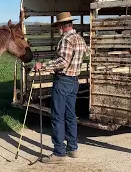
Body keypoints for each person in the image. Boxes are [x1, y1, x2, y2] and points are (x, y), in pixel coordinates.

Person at [33, 12, 89, 163]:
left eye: (58, 25)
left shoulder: (66, 39)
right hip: (74, 81)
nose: (57, 27)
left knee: (57, 116)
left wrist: (43, 65)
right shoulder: (79, 38)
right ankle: (73, 148)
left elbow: (63, 61)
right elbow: (87, 51)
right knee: (70, 115)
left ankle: (59, 152)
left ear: (63, 25)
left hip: (63, 81)